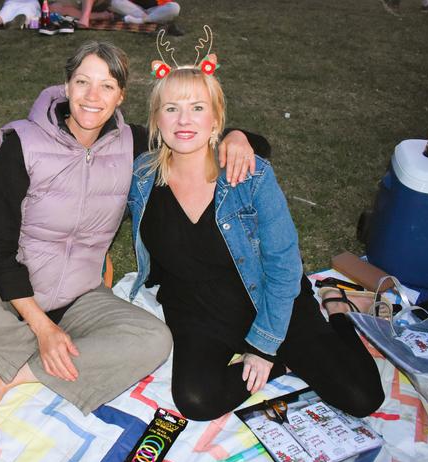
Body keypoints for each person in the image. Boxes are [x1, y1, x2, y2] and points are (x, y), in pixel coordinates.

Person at [0, 41, 259, 438]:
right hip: (7, 295)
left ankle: (9, 373)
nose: (93, 97)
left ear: (121, 96)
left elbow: (189, 135)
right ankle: (53, 352)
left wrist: (235, 137)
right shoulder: (22, 145)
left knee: (153, 340)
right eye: (83, 82)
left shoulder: (132, 144)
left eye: (107, 86)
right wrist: (43, 329)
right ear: (66, 85)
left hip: (82, 297)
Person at [127, 62, 386, 422]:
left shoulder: (249, 175)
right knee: (196, 400)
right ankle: (285, 362)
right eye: (172, 108)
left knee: (363, 397)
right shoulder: (141, 175)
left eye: (197, 108)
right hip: (197, 309)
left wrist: (263, 347)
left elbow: (284, 266)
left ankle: (339, 314)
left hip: (265, 295)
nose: (184, 120)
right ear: (156, 119)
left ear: (216, 121)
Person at [109, 0, 180, 25]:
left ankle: (141, 20)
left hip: (155, 9)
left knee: (174, 8)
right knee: (113, 2)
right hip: (135, 9)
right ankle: (152, 19)